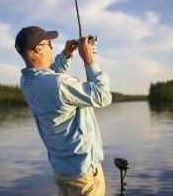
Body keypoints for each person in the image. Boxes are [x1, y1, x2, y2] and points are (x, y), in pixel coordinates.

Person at [14, 26, 112, 196]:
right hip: (83, 175)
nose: (52, 47)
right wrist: (89, 59)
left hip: (62, 171)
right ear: (38, 49)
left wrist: (66, 55)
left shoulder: (27, 81)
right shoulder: (58, 84)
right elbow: (103, 96)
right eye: (49, 44)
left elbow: (49, 77)